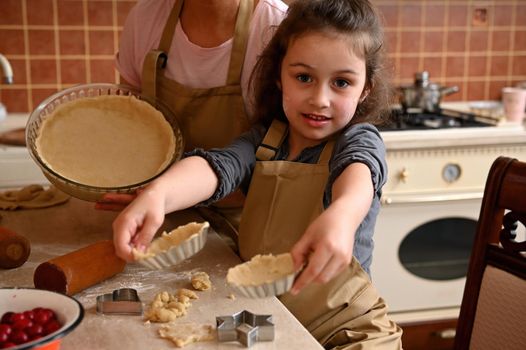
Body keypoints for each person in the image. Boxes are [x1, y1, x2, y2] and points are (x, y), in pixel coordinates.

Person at [113, 0, 402, 348]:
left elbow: (358, 179)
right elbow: (216, 166)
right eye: (304, 77)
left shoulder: (358, 141)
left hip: (349, 332)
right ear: (280, 77)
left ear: (365, 89)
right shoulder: (265, 140)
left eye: (341, 82)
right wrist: (158, 195)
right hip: (272, 321)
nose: (320, 98)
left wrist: (340, 218)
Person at [96, 0, 289, 241]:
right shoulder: (145, 18)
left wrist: (166, 193)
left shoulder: (277, 27)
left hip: (243, 224)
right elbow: (127, 125)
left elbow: (286, 161)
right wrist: (132, 184)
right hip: (154, 218)